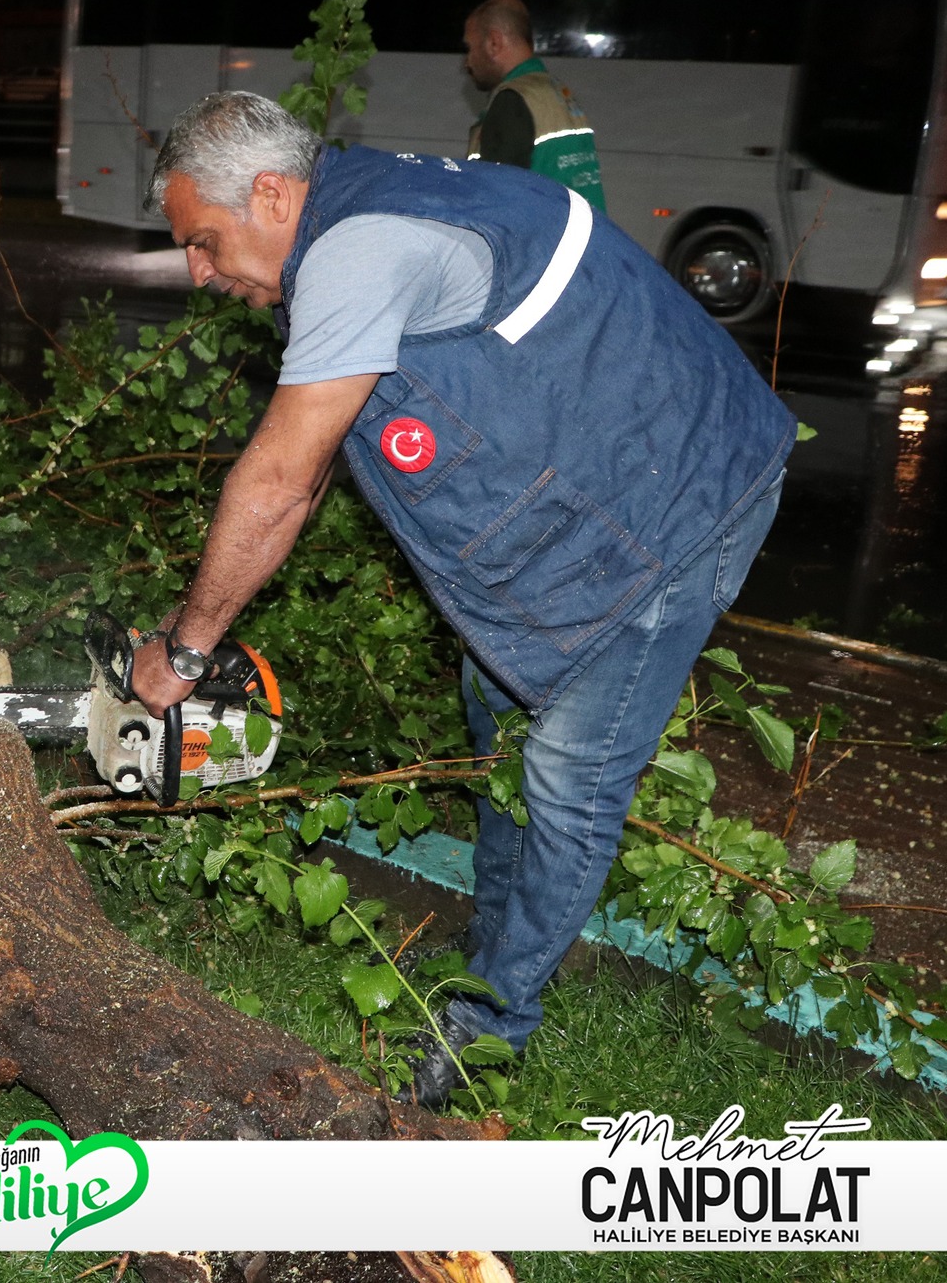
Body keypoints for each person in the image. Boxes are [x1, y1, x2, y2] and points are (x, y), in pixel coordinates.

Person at [131, 91, 793, 1108]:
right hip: (602, 473)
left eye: (205, 242)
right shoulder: (361, 213)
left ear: (269, 194)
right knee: (494, 721)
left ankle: (486, 1034)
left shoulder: (357, 250)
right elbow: (312, 473)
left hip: (680, 502)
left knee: (570, 780)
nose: (198, 271)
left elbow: (275, 483)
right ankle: (492, 937)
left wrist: (182, 652)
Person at [461, 0, 606, 211]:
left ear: (494, 42)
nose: (467, 62)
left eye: (470, 48)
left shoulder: (512, 101)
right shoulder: (554, 92)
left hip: (546, 242)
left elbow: (496, 205)